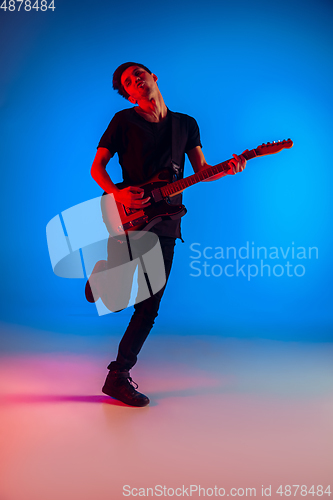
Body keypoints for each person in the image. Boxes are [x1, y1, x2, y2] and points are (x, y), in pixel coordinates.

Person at [87, 62, 246, 407]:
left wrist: (229, 169)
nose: (136, 81)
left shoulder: (185, 125)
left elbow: (201, 171)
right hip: (130, 214)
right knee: (115, 300)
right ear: (129, 93)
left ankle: (117, 377)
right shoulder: (123, 121)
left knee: (149, 307)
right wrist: (119, 193)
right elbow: (97, 168)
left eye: (138, 74)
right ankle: (103, 278)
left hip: (168, 222)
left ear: (153, 77)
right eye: (128, 82)